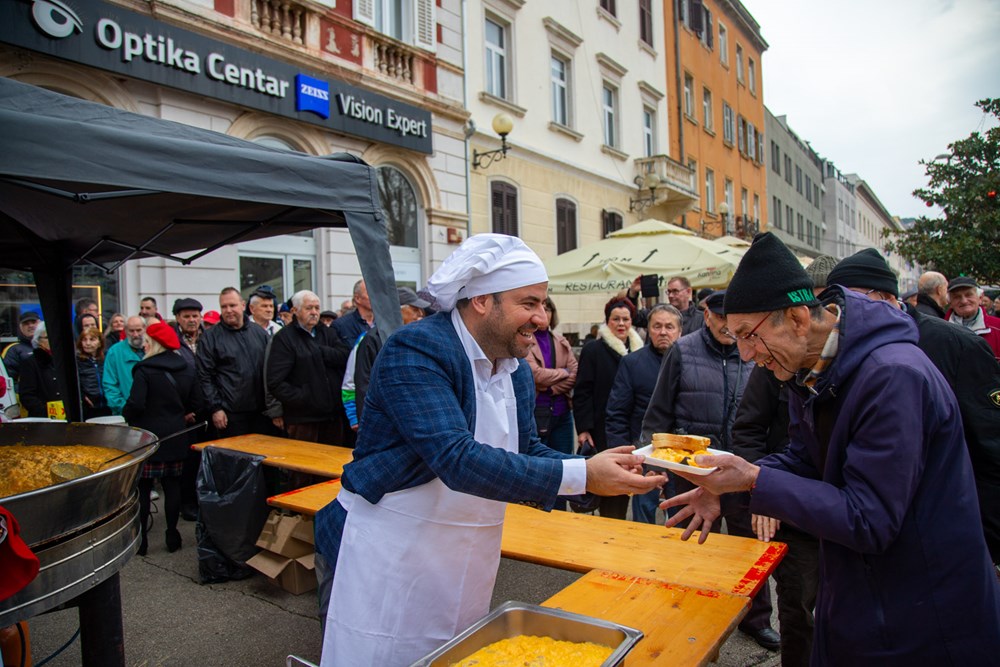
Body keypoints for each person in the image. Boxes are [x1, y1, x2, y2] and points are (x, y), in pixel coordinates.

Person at [316, 234, 664, 666]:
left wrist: (597, 469)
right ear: (482, 300)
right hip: (390, 550)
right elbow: (455, 458)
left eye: (543, 304)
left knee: (456, 653)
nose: (541, 317)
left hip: (465, 554)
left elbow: (528, 447)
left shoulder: (515, 368)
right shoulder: (416, 349)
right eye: (529, 303)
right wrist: (582, 476)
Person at [662, 233, 1000, 665]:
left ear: (799, 318)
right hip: (864, 596)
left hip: (921, 610)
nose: (746, 355)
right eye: (734, 336)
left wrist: (755, 479)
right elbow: (805, 457)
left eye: (748, 335)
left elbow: (869, 518)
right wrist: (729, 482)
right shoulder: (815, 366)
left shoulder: (891, 377)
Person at [827, 248, 1000, 571]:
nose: (838, 315)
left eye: (847, 302)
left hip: (950, 522)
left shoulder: (953, 343)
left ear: (883, 297)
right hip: (889, 528)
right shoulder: (846, 348)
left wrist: (989, 546)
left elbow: (990, 447)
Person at [641, 291, 771, 649]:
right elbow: (659, 411)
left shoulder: (753, 351)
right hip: (690, 472)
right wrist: (656, 466)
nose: (731, 328)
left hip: (741, 470)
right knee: (688, 548)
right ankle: (684, 616)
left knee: (749, 548)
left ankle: (756, 619)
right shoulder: (683, 350)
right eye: (723, 319)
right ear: (707, 315)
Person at [730, 366, 819, 666]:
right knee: (798, 605)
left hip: (847, 504)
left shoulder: (864, 361)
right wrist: (764, 493)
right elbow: (748, 431)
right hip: (791, 509)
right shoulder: (772, 362)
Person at [124, 322, 199, 556]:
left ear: (154, 344)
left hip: (149, 437)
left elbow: (136, 404)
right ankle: (173, 535)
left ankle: (142, 540)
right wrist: (182, 414)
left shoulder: (144, 369)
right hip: (176, 434)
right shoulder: (187, 367)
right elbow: (197, 403)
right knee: (172, 485)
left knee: (144, 488)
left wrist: (128, 416)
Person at [605, 303, 682, 524]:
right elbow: (617, 413)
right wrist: (625, 457)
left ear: (680, 331)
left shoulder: (690, 363)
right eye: (657, 326)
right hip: (644, 455)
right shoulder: (632, 363)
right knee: (644, 521)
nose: (663, 332)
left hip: (682, 458)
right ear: (648, 329)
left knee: (681, 520)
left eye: (669, 326)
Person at [573, 297, 644, 520]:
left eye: (625, 319)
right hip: (601, 427)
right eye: (616, 319)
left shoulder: (639, 351)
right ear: (608, 321)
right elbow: (582, 391)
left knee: (624, 485)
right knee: (606, 484)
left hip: (631, 428)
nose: (621, 324)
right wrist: (584, 428)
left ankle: (617, 531)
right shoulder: (594, 349)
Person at [266, 290, 352, 445]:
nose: (314, 312)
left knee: (332, 464)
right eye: (309, 308)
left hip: (332, 415)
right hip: (303, 419)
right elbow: (275, 382)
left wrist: (320, 352)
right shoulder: (284, 338)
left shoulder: (327, 332)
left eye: (317, 308)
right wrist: (304, 397)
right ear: (295, 311)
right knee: (303, 466)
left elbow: (345, 356)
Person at [342, 287, 429, 430]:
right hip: (380, 422)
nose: (419, 314)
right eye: (414, 309)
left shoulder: (414, 336)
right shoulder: (372, 339)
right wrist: (361, 420)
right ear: (398, 310)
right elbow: (362, 383)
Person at [196, 287, 271, 437]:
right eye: (224, 306)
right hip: (231, 414)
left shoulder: (259, 333)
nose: (228, 310)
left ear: (243, 305)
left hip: (262, 412)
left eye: (232, 305)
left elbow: (271, 369)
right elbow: (205, 376)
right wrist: (216, 408)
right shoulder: (210, 338)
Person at [525, 297, 577, 456]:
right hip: (537, 412)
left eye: (548, 309)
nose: (544, 313)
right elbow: (535, 374)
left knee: (566, 460)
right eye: (538, 307)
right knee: (540, 461)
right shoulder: (525, 339)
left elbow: (574, 373)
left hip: (563, 412)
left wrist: (550, 387)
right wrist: (563, 373)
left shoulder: (561, 341)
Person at [170, 297, 204, 521]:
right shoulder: (172, 343)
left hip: (206, 409)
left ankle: (203, 501)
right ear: (178, 319)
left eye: (195, 316)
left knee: (204, 461)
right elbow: (169, 382)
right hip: (185, 413)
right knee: (188, 463)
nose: (192, 320)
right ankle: (187, 503)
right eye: (187, 317)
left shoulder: (209, 337)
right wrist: (182, 410)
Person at [946, 276, 1000, 359]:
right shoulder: (940, 330)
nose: (964, 301)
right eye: (957, 297)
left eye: (969, 295)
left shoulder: (997, 327)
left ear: (980, 298)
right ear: (950, 302)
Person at [103, 316, 146, 415]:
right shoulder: (114, 352)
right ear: (125, 330)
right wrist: (124, 407)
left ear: (145, 328)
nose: (135, 334)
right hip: (124, 413)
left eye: (139, 330)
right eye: (131, 331)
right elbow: (110, 384)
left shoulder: (153, 349)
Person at [17, 323, 62, 419]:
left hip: (64, 416)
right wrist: (45, 411)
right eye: (47, 338)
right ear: (38, 341)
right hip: (42, 419)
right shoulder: (30, 362)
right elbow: (27, 396)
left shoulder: (63, 361)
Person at [2, 311, 40, 394]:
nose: (31, 326)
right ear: (21, 327)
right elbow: (8, 382)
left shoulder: (50, 347)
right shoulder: (13, 350)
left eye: (33, 322)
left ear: (40, 324)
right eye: (26, 323)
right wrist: (27, 394)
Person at [76, 328, 110, 420]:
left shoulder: (106, 359)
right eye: (84, 340)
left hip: (107, 404)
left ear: (99, 342)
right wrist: (83, 397)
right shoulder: (77, 361)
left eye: (92, 339)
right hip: (89, 405)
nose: (87, 343)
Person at [332, 279, 374, 346]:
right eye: (370, 292)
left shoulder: (383, 324)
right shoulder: (340, 326)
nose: (375, 296)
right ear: (357, 298)